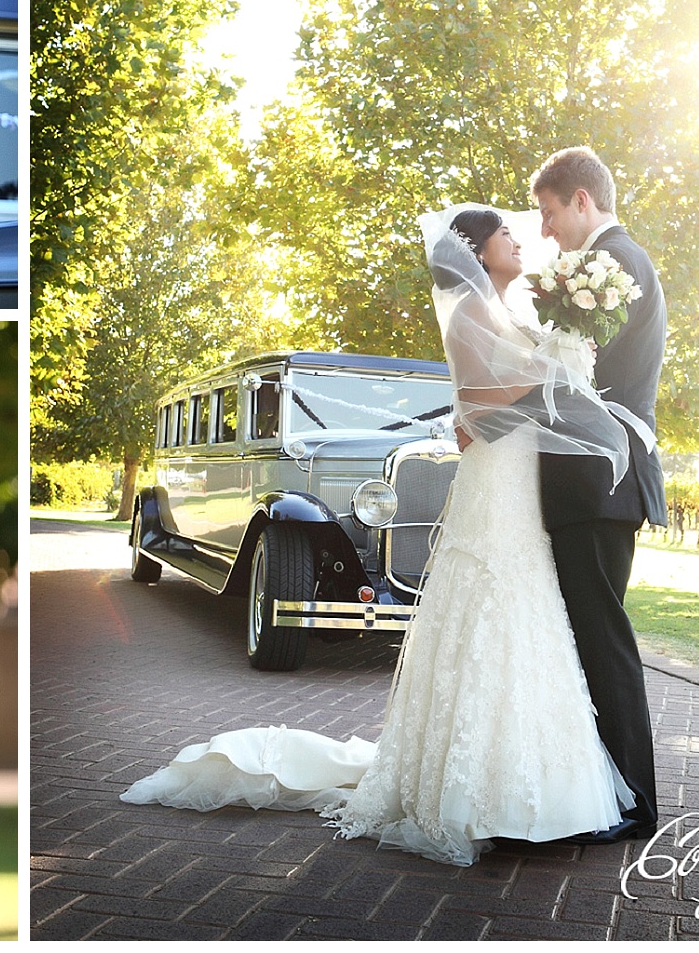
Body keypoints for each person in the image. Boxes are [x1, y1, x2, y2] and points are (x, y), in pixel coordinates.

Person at [121, 205, 648, 866]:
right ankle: (474, 790)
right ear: (479, 252)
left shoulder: (513, 313)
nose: (519, 238)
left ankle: (530, 779)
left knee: (524, 614)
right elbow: (482, 400)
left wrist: (562, 351)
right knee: (490, 608)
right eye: (506, 235)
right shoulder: (468, 311)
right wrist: (556, 363)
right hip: (497, 480)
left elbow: (481, 409)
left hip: (515, 481)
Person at [531, 145, 666, 843]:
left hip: (599, 483)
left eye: (551, 213)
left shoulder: (615, 265)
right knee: (589, 637)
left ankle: (634, 802)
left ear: (582, 200)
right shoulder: (609, 263)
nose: (545, 230)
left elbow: (576, 384)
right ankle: (604, 788)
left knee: (603, 639)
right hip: (592, 484)